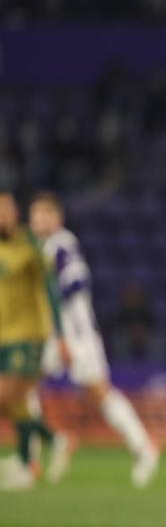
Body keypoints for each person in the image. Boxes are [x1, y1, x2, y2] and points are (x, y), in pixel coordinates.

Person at [28, 192, 160, 488]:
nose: (39, 220)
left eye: (45, 214)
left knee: (99, 393)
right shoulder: (36, 248)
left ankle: (144, 447)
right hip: (50, 333)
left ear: (57, 218)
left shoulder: (62, 244)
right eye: (35, 214)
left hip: (77, 334)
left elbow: (77, 282)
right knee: (21, 385)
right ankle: (34, 457)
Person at [0, 191, 68, 491]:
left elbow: (52, 290)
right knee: (17, 403)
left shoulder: (31, 245)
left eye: (5, 210)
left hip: (30, 334)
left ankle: (33, 457)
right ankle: (40, 453)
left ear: (15, 213)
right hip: (4, 335)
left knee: (6, 396)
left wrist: (62, 336)